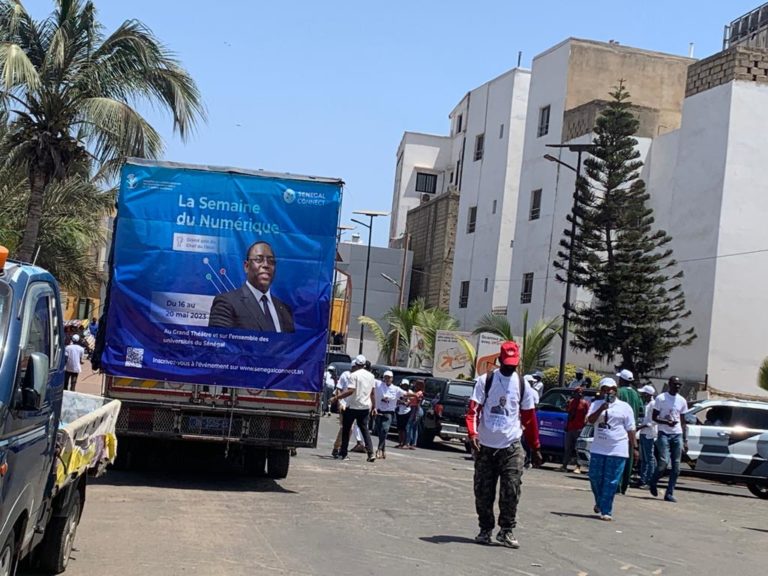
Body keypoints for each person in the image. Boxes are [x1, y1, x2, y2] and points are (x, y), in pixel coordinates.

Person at [465, 341, 541, 549]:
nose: (510, 368)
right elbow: (473, 411)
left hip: (511, 445)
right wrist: (472, 434)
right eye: (506, 364)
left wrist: (535, 446)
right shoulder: (485, 381)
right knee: (483, 491)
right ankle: (485, 529)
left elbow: (529, 418)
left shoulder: (523, 385)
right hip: (485, 446)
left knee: (511, 488)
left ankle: (506, 530)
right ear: (499, 361)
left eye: (513, 364)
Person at [208, 241, 294, 332]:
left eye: (271, 261)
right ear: (246, 266)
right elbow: (220, 343)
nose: (266, 265)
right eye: (258, 259)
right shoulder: (226, 303)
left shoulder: (284, 310)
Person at [586, 378, 638, 521]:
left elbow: (631, 429)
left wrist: (634, 448)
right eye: (604, 389)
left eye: (611, 389)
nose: (608, 391)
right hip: (599, 448)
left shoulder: (625, 407)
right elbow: (589, 420)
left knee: (611, 481)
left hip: (618, 448)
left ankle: (606, 510)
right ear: (601, 391)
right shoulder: (596, 404)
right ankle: (600, 501)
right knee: (594, 477)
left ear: (615, 390)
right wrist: (601, 408)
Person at [649, 376, 688, 502]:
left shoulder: (682, 400)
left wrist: (685, 439)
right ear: (669, 384)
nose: (677, 387)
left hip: (677, 434)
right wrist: (666, 422)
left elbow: (683, 421)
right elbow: (654, 417)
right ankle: (653, 481)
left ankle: (669, 493)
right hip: (664, 433)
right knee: (664, 462)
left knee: (676, 466)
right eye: (675, 384)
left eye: (679, 385)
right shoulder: (661, 398)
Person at [336, 355, 376, 462]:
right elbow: (372, 394)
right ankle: (371, 453)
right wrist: (374, 407)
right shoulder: (371, 376)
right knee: (364, 430)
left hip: (353, 406)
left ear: (356, 364)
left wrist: (337, 397)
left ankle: (343, 453)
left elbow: (350, 391)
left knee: (346, 429)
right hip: (365, 407)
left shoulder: (353, 375)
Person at [616, 368, 642, 494]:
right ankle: (624, 485)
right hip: (632, 429)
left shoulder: (619, 392)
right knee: (629, 458)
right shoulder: (636, 394)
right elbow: (641, 410)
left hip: (620, 429)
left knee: (618, 456)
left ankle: (617, 484)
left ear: (621, 380)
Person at [373, 370, 406, 459]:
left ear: (392, 379)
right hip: (379, 411)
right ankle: (383, 450)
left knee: (385, 430)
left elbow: (405, 394)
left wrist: (415, 395)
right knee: (380, 432)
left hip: (388, 413)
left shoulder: (396, 389)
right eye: (386, 377)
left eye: (389, 377)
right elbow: (369, 379)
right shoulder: (378, 384)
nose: (387, 379)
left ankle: (379, 449)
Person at [561, 387, 590, 474]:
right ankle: (564, 465)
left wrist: (585, 425)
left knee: (578, 448)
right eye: (578, 392)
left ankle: (578, 467)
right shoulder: (570, 402)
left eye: (581, 393)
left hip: (579, 428)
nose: (579, 394)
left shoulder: (585, 403)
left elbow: (587, 415)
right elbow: (569, 414)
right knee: (567, 448)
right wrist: (566, 426)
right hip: (570, 428)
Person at [636, 384, 657, 488]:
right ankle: (643, 479)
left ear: (648, 394)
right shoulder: (647, 404)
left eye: (644, 394)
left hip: (649, 434)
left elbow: (653, 421)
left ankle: (649, 480)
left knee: (650, 458)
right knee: (643, 458)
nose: (642, 395)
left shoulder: (653, 404)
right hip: (643, 433)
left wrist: (641, 426)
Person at [405, 380, 425, 449]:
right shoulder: (416, 392)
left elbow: (418, 403)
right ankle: (413, 444)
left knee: (409, 426)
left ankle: (408, 443)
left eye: (416, 384)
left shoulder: (419, 393)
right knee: (414, 428)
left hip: (416, 409)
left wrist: (416, 414)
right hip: (415, 408)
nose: (415, 385)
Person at [395, 379, 411, 448]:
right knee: (399, 428)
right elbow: (396, 401)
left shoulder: (410, 392)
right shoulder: (399, 391)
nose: (404, 386)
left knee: (405, 428)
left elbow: (408, 403)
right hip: (399, 411)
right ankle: (400, 442)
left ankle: (405, 443)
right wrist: (401, 402)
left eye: (406, 385)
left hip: (406, 412)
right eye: (403, 385)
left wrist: (402, 402)